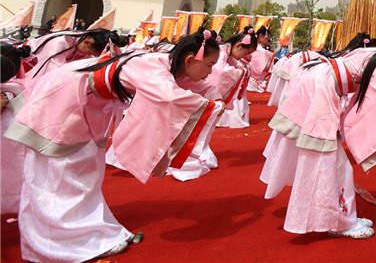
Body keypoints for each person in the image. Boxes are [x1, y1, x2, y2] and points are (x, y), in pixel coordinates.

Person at [5, 30, 223, 261]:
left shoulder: (164, 64)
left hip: (88, 101)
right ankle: (60, 242)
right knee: (59, 172)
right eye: (209, 65)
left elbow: (186, 88)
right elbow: (169, 97)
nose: (210, 72)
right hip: (66, 99)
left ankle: (85, 231)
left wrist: (208, 100)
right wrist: (212, 107)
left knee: (85, 169)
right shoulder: (153, 65)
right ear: (190, 59)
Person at [260, 29, 376, 239]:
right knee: (332, 161)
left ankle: (334, 216)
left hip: (316, 80)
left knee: (329, 158)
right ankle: (338, 221)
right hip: (322, 87)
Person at [1, 43, 31, 215]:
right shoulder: (16, 88)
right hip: (10, 134)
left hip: (8, 135)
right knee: (11, 168)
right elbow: (24, 113)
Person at [214, 28, 258, 128]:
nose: (246, 56)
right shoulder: (222, 52)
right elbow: (220, 71)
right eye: (247, 53)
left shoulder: (227, 52)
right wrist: (241, 72)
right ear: (238, 46)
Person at [247, 26, 275, 93]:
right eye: (266, 38)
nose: (267, 39)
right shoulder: (259, 50)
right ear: (260, 36)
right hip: (251, 80)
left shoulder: (259, 49)